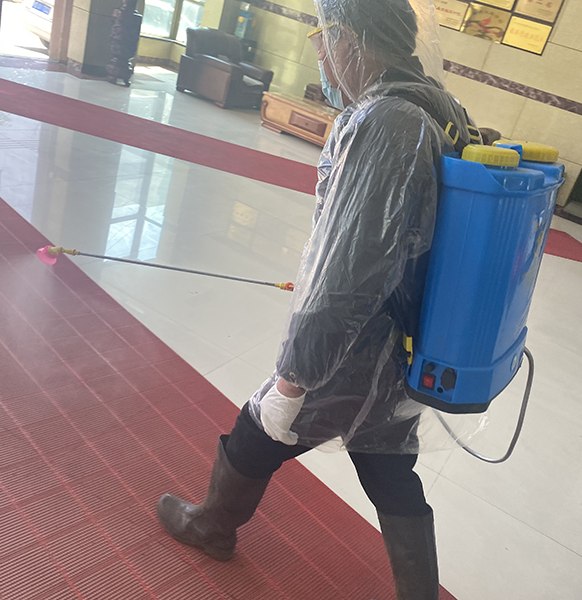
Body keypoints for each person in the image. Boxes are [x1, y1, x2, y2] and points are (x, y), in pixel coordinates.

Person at [157, 0, 480, 597]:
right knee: (385, 458)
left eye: (324, 37)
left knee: (264, 423)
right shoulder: (439, 107)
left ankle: (211, 525)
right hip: (407, 335)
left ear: (353, 38)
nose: (320, 54)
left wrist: (299, 368)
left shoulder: (386, 121)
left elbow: (354, 264)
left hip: (359, 338)